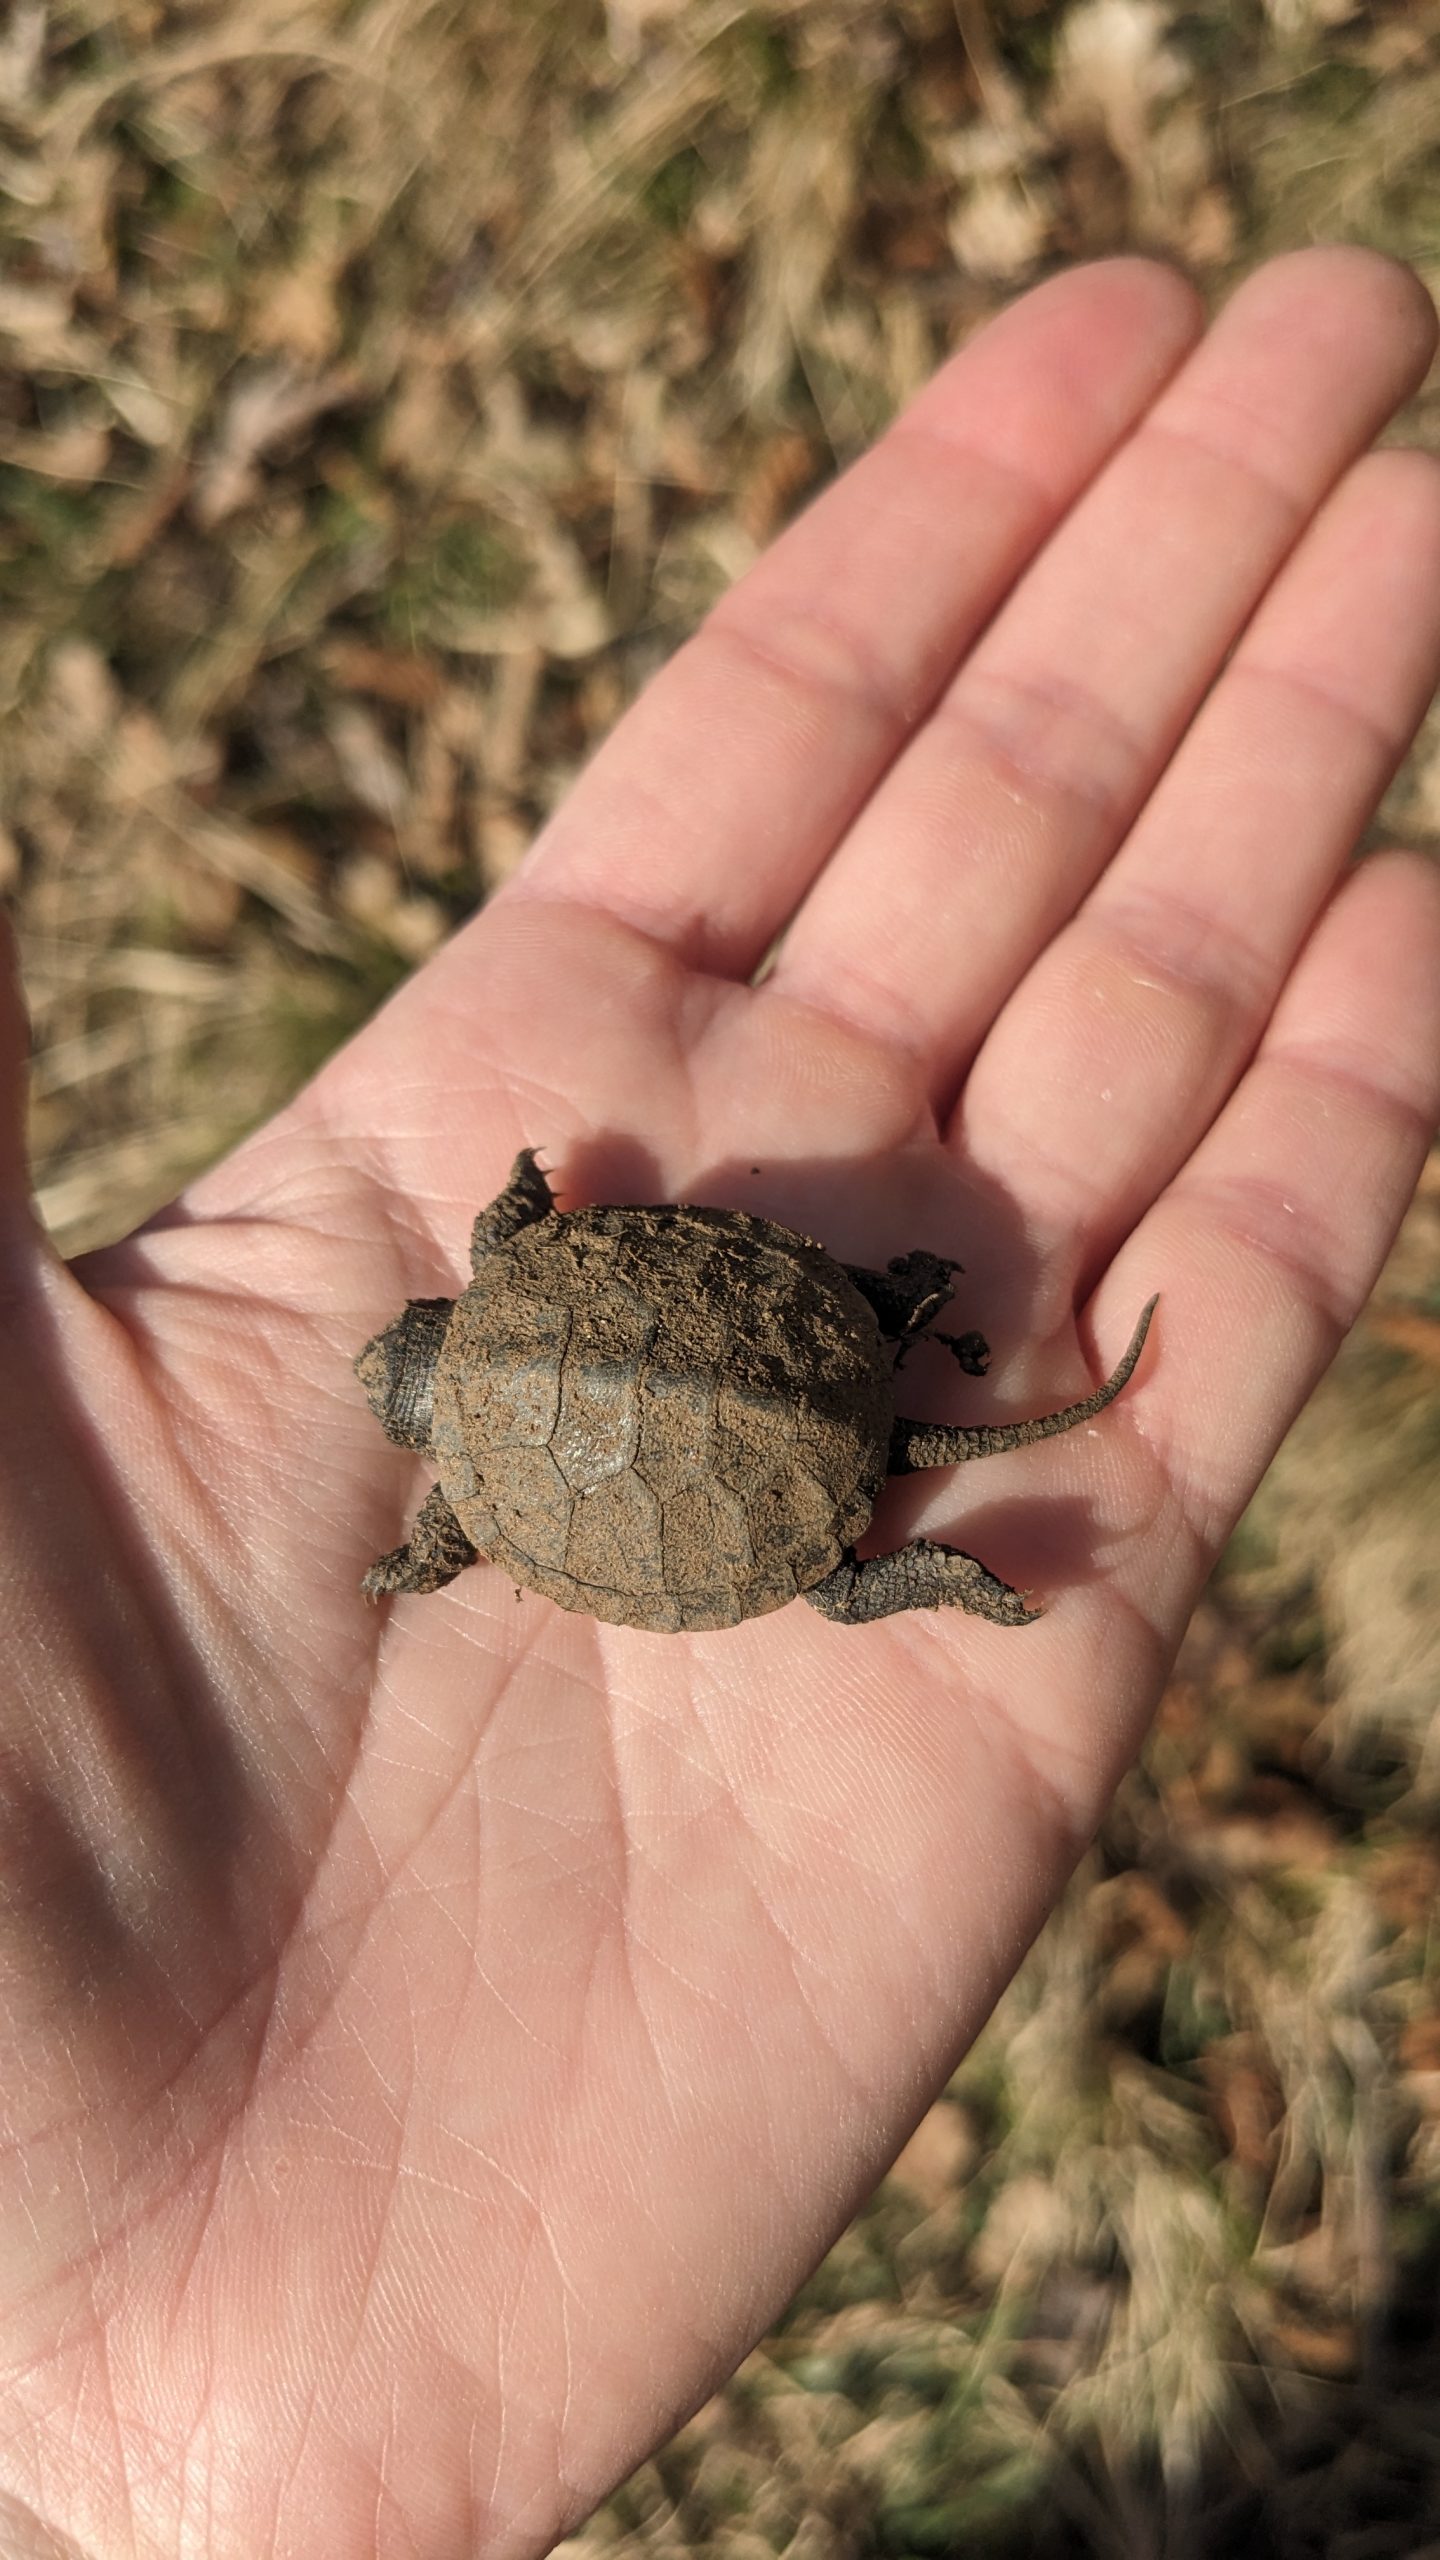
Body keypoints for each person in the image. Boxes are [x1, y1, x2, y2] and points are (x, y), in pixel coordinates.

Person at [1, 246, 1438, 2560]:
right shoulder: (525, 1273)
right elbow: (550, 1214)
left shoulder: (474, 1489)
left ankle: (942, 1572)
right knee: (897, 1379)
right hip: (795, 1355)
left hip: (766, 1502)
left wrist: (414, 1538)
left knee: (882, 1520)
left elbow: (463, 1492)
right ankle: (943, 1479)